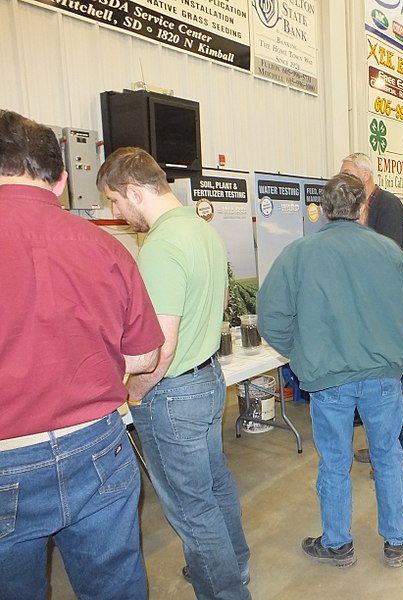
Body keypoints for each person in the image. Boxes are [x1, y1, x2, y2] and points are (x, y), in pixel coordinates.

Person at [0, 110, 164, 600]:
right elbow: (147, 354)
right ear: (62, 180)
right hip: (97, 445)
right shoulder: (105, 247)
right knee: (114, 586)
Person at [96, 148, 251, 600]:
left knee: (190, 507)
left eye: (115, 201)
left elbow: (157, 351)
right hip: (207, 380)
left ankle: (224, 590)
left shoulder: (161, 246)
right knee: (214, 485)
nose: (117, 213)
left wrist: (134, 396)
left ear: (134, 191)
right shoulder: (203, 232)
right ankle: (233, 565)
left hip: (172, 393)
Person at [256, 173, 403, 568]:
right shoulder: (387, 251)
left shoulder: (297, 254)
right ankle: (397, 540)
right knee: (387, 456)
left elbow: (272, 317)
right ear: (362, 207)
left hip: (327, 378)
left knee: (334, 462)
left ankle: (336, 544)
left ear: (323, 210)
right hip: (384, 376)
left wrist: (301, 354)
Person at [339, 153, 403, 471]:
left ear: (365, 174)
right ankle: (381, 445)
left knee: (397, 380)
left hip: (390, 311)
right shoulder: (363, 209)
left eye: (346, 171)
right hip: (371, 311)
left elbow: (385, 260)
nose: (340, 176)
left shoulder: (387, 205)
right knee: (375, 385)